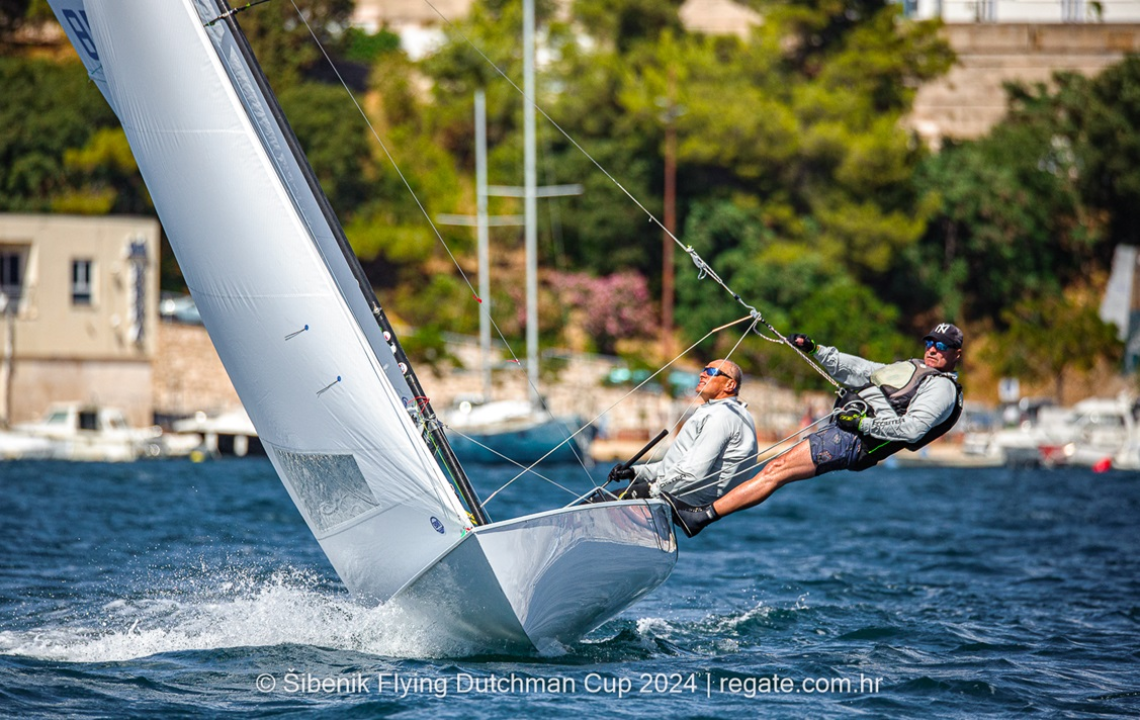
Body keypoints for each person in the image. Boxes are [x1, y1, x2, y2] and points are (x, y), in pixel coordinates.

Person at [666, 323, 965, 537]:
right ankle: (699, 512)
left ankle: (701, 516)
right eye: (930, 342)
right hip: (848, 432)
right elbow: (863, 369)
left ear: (956, 354)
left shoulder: (941, 388)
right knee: (776, 469)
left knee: (777, 469)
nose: (933, 350)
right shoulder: (914, 367)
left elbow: (911, 430)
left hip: (855, 441)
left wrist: (861, 423)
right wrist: (817, 350)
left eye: (942, 347)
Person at [606, 359, 759, 507]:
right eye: (703, 370)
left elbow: (693, 473)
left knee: (597, 502)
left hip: (681, 501)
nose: (702, 374)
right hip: (677, 495)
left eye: (711, 371)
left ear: (730, 384)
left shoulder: (721, 416)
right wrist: (635, 472)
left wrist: (653, 489)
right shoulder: (728, 412)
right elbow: (675, 468)